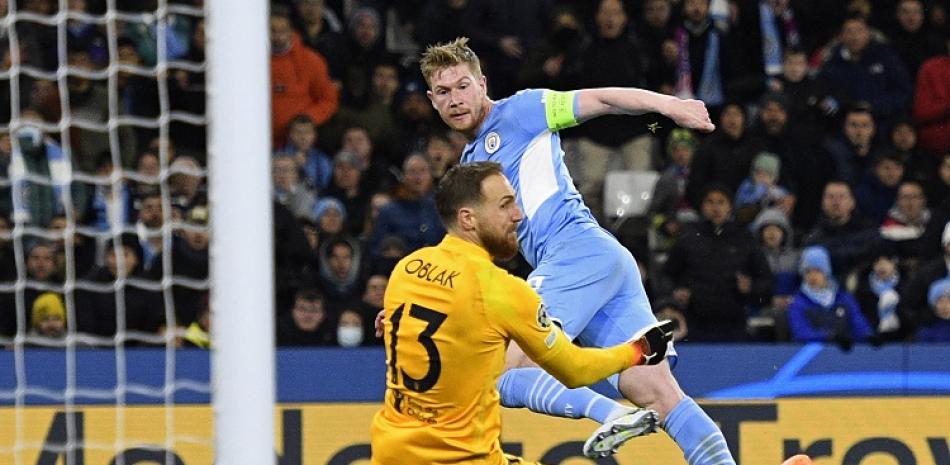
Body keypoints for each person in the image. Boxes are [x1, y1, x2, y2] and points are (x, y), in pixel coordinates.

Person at [416, 37, 742, 464]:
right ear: (431, 100)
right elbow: (473, 258)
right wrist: (418, 300)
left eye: (462, 86)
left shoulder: (523, 110)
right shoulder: (470, 167)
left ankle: (609, 415)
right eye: (443, 92)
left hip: (575, 254)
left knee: (504, 373)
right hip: (602, 261)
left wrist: (671, 106)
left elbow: (603, 99)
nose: (455, 100)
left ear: (482, 83)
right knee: (655, 392)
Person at [370, 162, 673, 465]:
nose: (518, 215)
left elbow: (429, 337)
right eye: (505, 205)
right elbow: (575, 368)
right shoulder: (502, 291)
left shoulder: (407, 271)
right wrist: (637, 351)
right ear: (468, 219)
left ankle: (611, 413)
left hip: (391, 453)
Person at [787, 246, 874, 349]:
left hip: (843, 354)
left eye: (818, 271)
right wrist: (829, 336)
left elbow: (857, 321)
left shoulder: (844, 298)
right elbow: (801, 332)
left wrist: (868, 336)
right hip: (810, 356)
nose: (813, 276)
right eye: (807, 271)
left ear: (826, 272)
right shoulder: (798, 302)